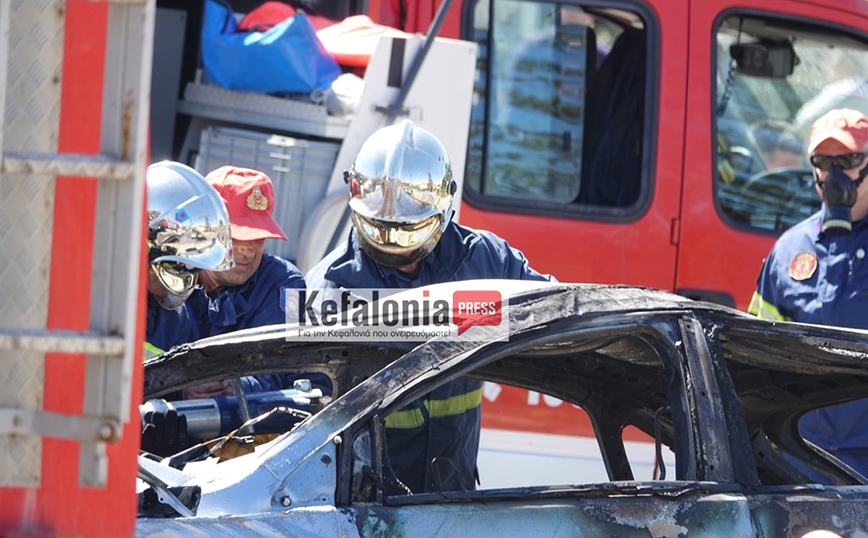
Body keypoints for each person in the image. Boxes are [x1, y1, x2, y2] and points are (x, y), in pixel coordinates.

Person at [306, 120, 555, 494]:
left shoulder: (487, 261)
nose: (396, 245)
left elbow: (556, 311)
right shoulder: (329, 288)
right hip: (367, 501)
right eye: (382, 230)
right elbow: (304, 408)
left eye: (409, 232)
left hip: (452, 491)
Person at [748, 107, 868, 477]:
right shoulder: (788, 250)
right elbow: (755, 356)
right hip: (800, 459)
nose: (835, 174)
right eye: (823, 162)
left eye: (848, 161)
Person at [181, 165, 316, 399]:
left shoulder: (286, 285)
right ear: (206, 229)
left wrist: (236, 387)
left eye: (258, 237)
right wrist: (177, 392)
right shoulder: (169, 277)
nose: (248, 251)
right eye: (237, 236)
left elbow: (283, 370)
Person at [144, 160, 234, 359]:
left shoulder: (178, 319)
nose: (247, 249)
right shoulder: (102, 301)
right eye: (178, 267)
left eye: (191, 268)